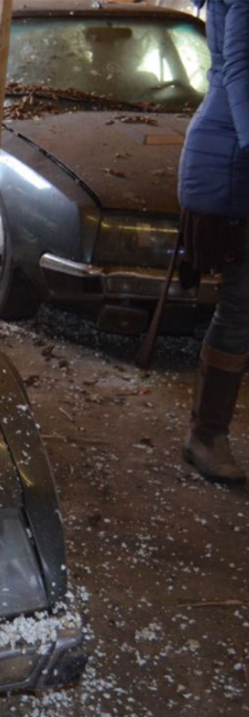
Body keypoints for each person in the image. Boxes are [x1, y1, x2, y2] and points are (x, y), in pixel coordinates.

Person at [177, 0, 249, 486]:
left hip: (230, 148)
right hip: (229, 159)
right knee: (243, 299)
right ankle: (207, 435)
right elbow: (244, 70)